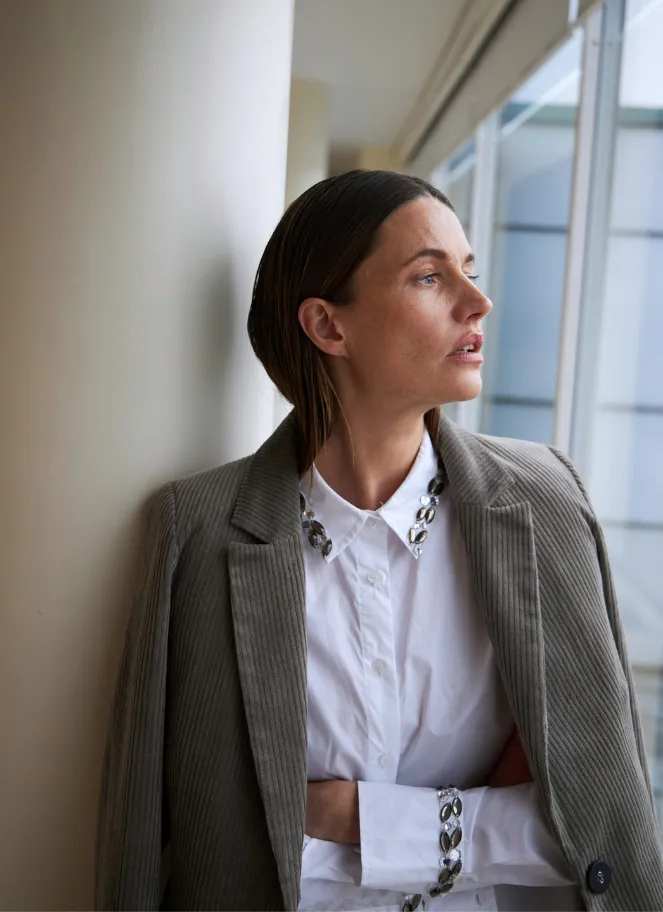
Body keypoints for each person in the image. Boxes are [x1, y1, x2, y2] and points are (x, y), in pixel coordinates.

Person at [95, 170, 663, 912]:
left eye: (469, 270)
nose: (477, 301)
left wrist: (355, 818)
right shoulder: (197, 530)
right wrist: (481, 827)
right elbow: (178, 840)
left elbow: (596, 829)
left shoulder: (544, 503)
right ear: (328, 326)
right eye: (429, 276)